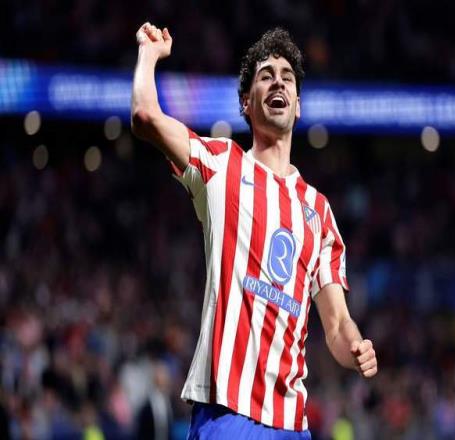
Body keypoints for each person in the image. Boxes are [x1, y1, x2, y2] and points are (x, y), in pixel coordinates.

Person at [131, 22, 378, 439]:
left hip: (291, 424)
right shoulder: (221, 166)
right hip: (228, 415)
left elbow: (337, 325)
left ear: (298, 105)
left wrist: (356, 347)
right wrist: (148, 55)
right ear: (247, 103)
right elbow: (145, 117)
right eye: (266, 76)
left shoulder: (319, 211)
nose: (278, 82)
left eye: (287, 77)